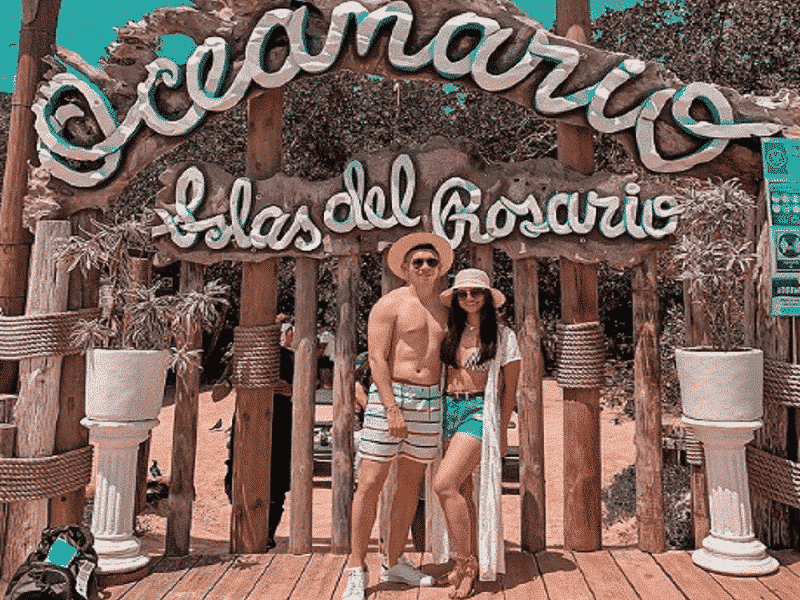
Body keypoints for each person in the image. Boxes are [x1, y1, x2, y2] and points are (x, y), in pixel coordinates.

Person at [342, 232, 454, 600]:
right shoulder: (388, 305)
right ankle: (356, 568)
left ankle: (393, 561)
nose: (424, 267)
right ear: (405, 268)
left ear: (440, 268)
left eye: (431, 262)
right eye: (417, 262)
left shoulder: (446, 308)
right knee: (370, 483)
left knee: (410, 486)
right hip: (391, 398)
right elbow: (376, 358)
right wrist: (390, 407)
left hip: (430, 400)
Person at [432, 269, 521, 598]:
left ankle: (467, 566)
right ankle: (463, 561)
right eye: (463, 293)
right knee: (462, 490)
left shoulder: (503, 336)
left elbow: (509, 390)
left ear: (487, 296)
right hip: (448, 410)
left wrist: (504, 431)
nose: (469, 298)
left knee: (444, 483)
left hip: (478, 412)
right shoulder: (449, 332)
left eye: (476, 292)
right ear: (456, 298)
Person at [224, 315, 294, 550]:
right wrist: (232, 381)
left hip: (280, 423)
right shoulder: (243, 356)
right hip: (247, 421)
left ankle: (267, 534)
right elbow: (218, 392)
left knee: (277, 481)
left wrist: (287, 389)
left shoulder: (290, 358)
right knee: (236, 474)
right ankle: (245, 528)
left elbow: (305, 391)